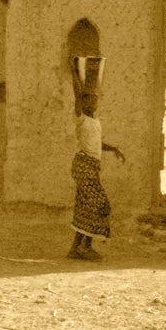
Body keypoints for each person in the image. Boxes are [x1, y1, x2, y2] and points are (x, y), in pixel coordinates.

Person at [68, 91, 125, 261]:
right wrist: (75, 71)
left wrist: (114, 149)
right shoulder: (81, 118)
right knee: (100, 204)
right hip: (83, 165)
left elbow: (97, 143)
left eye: (95, 101)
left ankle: (75, 249)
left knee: (86, 206)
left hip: (92, 166)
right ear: (83, 103)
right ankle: (85, 247)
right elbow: (76, 96)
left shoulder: (94, 121)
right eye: (89, 101)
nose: (93, 104)